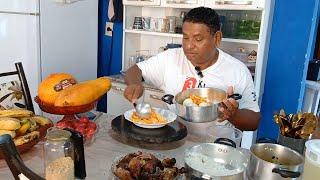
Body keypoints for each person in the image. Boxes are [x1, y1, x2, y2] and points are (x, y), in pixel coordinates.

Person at [123, 7, 261, 131]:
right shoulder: (171, 58)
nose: (189, 46)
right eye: (185, 37)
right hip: (174, 139)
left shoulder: (238, 70)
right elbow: (135, 70)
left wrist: (233, 115)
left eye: (198, 39)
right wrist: (135, 83)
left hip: (215, 148)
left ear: (217, 38)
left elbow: (254, 121)